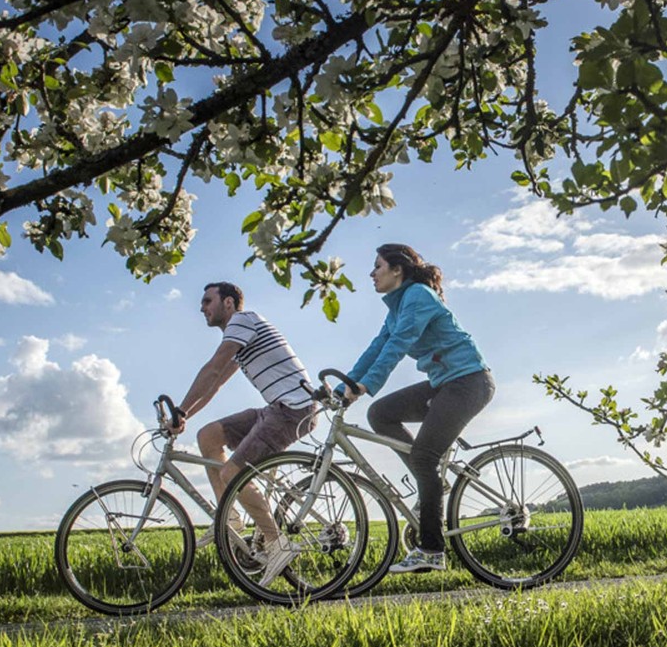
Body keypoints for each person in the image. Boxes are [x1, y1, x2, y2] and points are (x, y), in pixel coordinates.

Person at [342, 243, 495, 573]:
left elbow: (398, 345)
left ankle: (431, 550)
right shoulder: (396, 308)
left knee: (425, 457)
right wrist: (346, 384)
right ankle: (432, 483)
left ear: (397, 270)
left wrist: (364, 385)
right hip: (445, 384)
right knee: (380, 414)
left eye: (377, 266)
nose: (371, 273)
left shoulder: (418, 296)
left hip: (468, 382)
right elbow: (377, 346)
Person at [172, 281, 317, 562]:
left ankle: (278, 547)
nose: (201, 307)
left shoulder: (243, 321)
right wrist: (185, 417)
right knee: (208, 436)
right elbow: (215, 386)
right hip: (276, 408)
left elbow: (213, 369)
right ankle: (230, 519)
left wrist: (180, 409)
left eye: (207, 301)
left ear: (228, 303)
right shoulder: (240, 338)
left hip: (292, 411)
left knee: (231, 473)